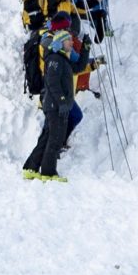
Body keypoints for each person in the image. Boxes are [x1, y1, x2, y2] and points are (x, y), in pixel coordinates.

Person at [22, 29, 90, 182]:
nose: (72, 43)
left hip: (56, 105)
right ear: (60, 43)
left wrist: (85, 48)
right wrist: (62, 101)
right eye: (69, 41)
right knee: (55, 139)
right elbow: (52, 83)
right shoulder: (54, 59)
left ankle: (30, 168)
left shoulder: (62, 59)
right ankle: (48, 172)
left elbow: (79, 67)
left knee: (47, 138)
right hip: (55, 106)